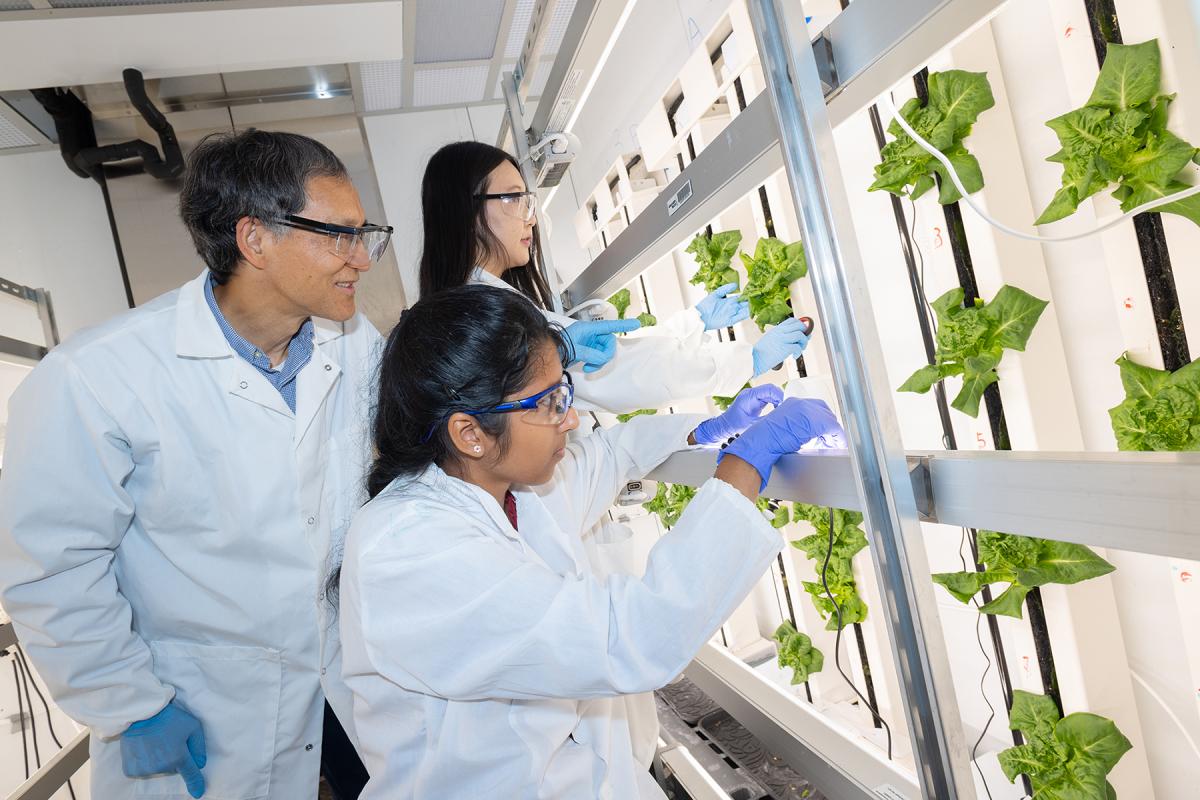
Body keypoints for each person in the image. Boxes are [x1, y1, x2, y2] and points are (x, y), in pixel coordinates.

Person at [337, 284, 844, 799]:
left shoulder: (503, 489)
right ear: (470, 432)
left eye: (566, 393)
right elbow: (632, 636)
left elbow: (607, 455)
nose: (571, 418)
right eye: (551, 402)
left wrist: (709, 429)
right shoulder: (407, 551)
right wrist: (744, 468)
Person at [0, 130, 385, 799]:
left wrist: (544, 353)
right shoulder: (95, 379)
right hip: (199, 706)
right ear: (255, 238)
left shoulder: (349, 343)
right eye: (339, 235)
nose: (362, 259)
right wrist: (131, 703)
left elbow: (429, 405)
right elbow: (51, 568)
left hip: (339, 683)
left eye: (364, 234)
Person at [417, 140, 813, 414]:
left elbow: (614, 360)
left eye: (528, 199)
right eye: (515, 198)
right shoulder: (492, 313)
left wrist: (693, 324)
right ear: (466, 212)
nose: (530, 216)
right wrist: (748, 360)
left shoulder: (485, 301)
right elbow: (622, 376)